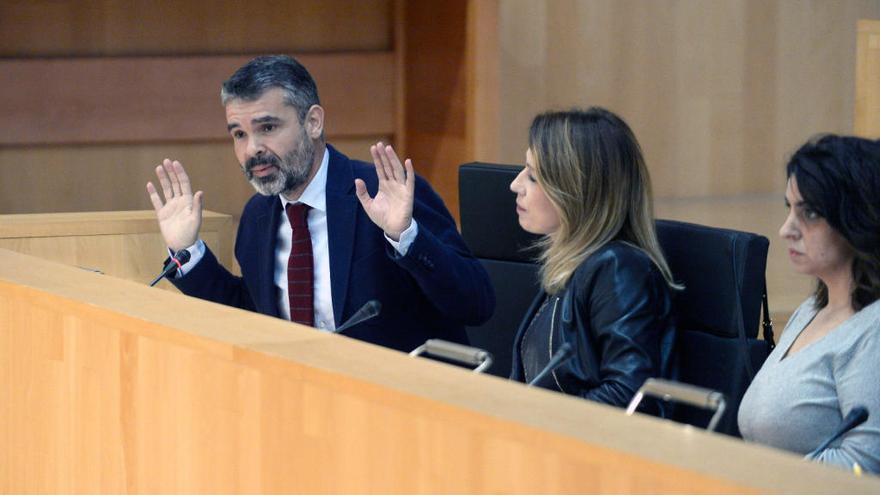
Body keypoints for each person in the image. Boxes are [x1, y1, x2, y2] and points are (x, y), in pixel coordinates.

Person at [145, 55, 494, 352]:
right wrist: (188, 252)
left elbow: (477, 303)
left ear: (313, 122)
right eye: (239, 134)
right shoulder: (258, 217)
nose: (252, 149)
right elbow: (251, 315)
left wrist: (407, 236)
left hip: (405, 404)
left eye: (267, 127)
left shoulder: (382, 194)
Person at [507, 108, 677, 413]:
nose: (515, 185)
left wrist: (540, 418)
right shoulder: (572, 264)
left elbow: (630, 395)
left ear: (575, 190)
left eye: (533, 176)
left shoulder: (617, 269)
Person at [738, 135, 880, 474]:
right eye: (790, 209)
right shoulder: (813, 309)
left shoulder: (872, 331)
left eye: (810, 214)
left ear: (857, 218)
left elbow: (865, 462)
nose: (786, 229)